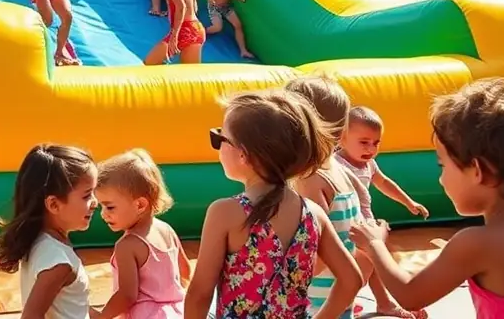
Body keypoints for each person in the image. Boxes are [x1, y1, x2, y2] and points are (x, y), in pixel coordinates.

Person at [351, 78, 504, 318]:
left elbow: (410, 295)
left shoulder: (476, 243)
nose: (440, 179)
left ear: (478, 171)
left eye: (443, 165)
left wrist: (374, 244)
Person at [183, 89, 362, 319]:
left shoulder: (225, 213)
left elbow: (199, 293)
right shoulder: (313, 214)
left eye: (220, 138)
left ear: (243, 154)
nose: (217, 144)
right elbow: (351, 279)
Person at [284, 75, 365, 319]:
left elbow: (315, 257)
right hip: (337, 300)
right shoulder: (341, 173)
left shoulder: (308, 179)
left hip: (314, 306)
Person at [336, 106, 429, 318]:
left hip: (365, 225)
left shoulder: (368, 164)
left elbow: (384, 183)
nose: (371, 148)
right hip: (348, 224)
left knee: (373, 263)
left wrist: (408, 202)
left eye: (376, 143)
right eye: (364, 142)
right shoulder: (336, 164)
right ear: (342, 138)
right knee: (358, 269)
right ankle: (346, 302)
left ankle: (382, 302)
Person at [0, 144, 98, 319]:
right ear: (54, 204)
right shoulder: (58, 264)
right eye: (87, 195)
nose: (95, 202)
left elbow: (72, 307)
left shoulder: (40, 241)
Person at [94, 149, 190, 319]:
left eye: (110, 207)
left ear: (139, 205)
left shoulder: (127, 245)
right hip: (178, 311)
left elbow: (127, 295)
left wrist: (101, 316)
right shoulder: (166, 229)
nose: (103, 214)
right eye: (101, 206)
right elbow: (185, 270)